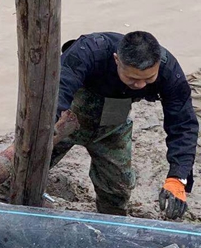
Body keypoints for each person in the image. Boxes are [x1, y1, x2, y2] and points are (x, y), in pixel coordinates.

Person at [54, 31, 198, 218]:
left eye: (148, 79)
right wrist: (49, 128)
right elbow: (57, 92)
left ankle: (111, 221)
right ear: (117, 59)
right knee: (30, 165)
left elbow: (183, 124)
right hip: (69, 114)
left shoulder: (169, 72)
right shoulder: (89, 50)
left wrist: (178, 177)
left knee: (117, 187)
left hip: (114, 116)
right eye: (133, 78)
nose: (140, 85)